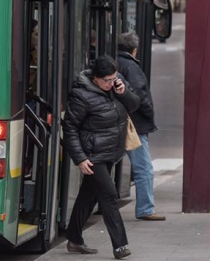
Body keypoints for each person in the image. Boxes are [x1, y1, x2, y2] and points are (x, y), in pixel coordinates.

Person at [63, 55, 140, 259]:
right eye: (106, 80)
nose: (110, 83)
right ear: (95, 78)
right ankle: (120, 245)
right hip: (92, 155)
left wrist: (123, 92)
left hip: (110, 152)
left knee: (88, 196)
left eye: (113, 78)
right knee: (109, 196)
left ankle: (74, 238)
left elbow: (134, 106)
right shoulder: (81, 95)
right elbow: (69, 128)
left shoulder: (116, 86)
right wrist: (79, 158)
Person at [116, 32, 166, 221]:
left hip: (115, 121)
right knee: (144, 167)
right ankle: (145, 208)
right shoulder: (131, 67)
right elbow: (140, 95)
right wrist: (148, 113)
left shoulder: (113, 63)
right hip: (133, 124)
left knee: (105, 163)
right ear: (134, 50)